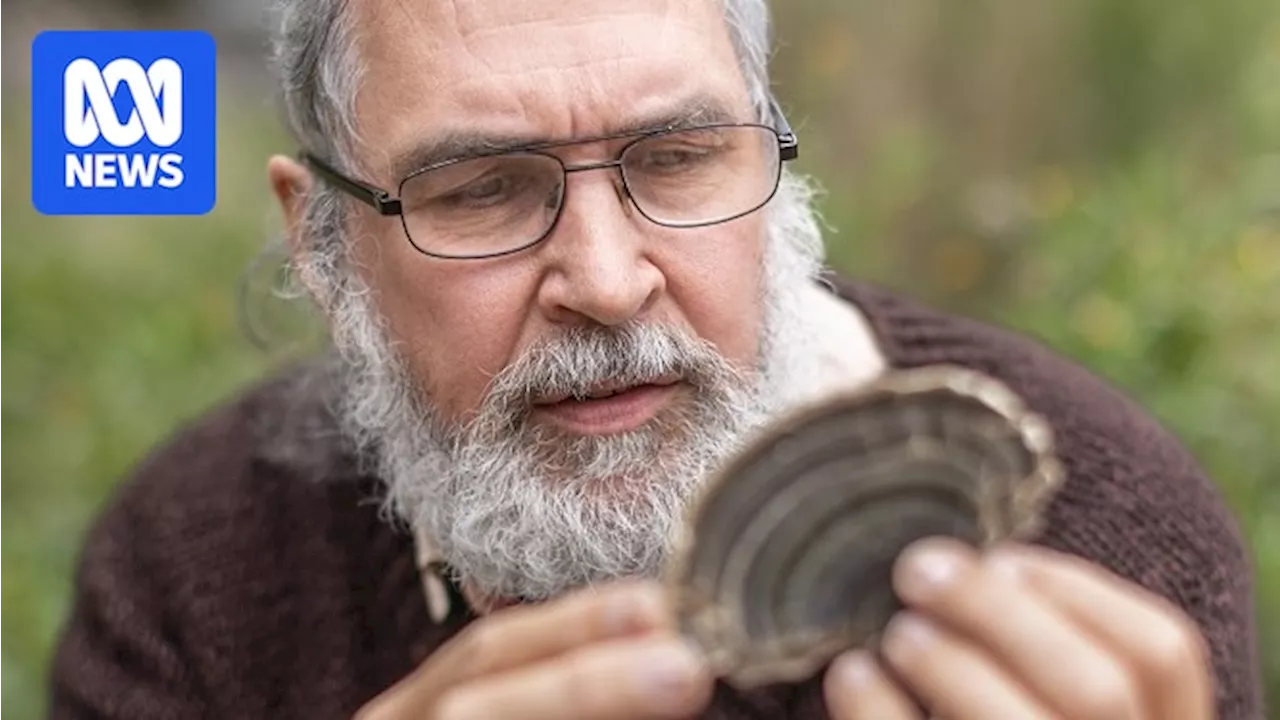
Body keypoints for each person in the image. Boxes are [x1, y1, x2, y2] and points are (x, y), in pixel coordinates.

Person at [48, 0, 1264, 718]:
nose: (609, 280)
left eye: (677, 160)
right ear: (322, 246)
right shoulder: (191, 570)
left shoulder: (1099, 538)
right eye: (478, 191)